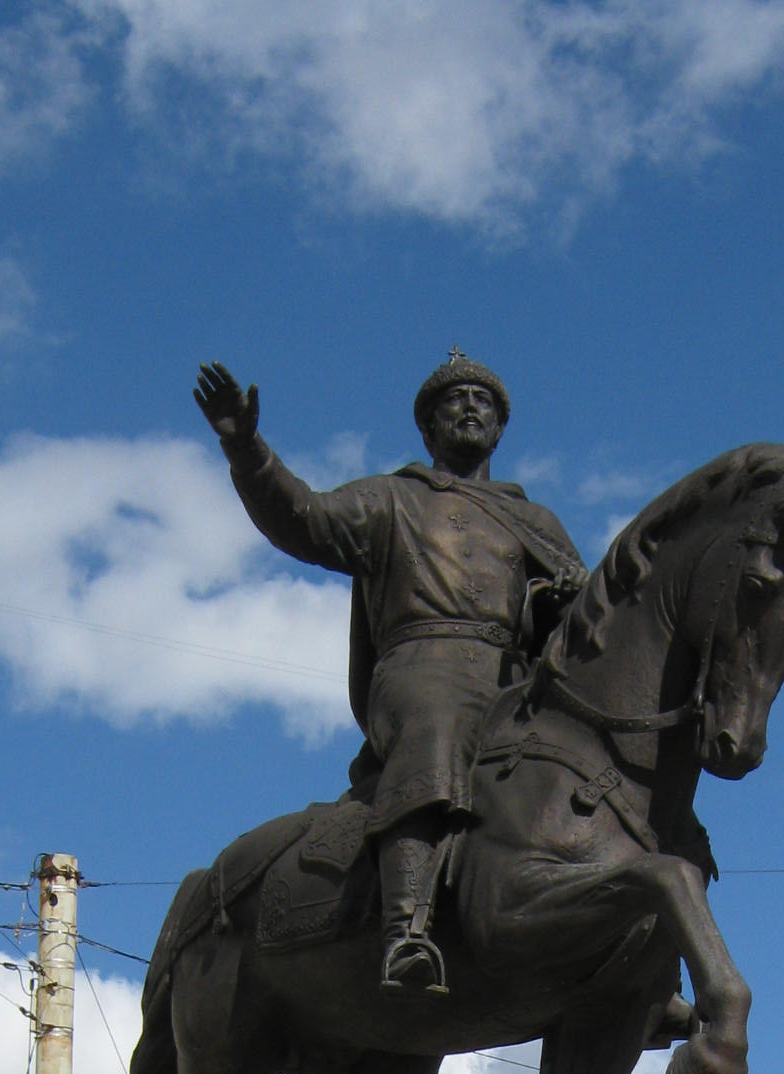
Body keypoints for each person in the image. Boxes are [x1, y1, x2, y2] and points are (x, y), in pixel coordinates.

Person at [194, 352, 586, 995]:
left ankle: (631, 968)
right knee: (437, 720)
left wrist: (569, 596)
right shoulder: (393, 498)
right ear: (428, 430)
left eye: (482, 402)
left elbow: (584, 630)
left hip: (513, 683)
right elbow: (306, 518)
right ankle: (405, 931)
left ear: (501, 427)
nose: (468, 408)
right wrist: (247, 449)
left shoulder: (537, 523)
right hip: (420, 668)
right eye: (452, 402)